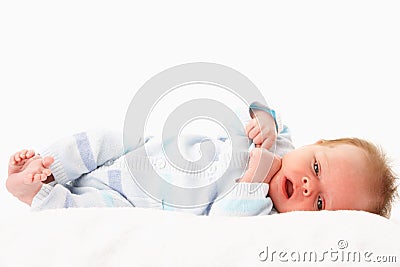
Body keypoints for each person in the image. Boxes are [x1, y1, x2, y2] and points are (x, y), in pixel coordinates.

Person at [6, 102, 398, 218]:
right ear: (316, 144)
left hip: (132, 202)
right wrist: (264, 122)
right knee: (104, 138)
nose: (311, 186)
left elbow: (224, 221)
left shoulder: (262, 214)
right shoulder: (281, 142)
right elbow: (262, 109)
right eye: (316, 167)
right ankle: (49, 167)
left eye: (320, 203)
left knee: (90, 213)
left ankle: (40, 195)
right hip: (141, 153)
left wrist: (254, 179)